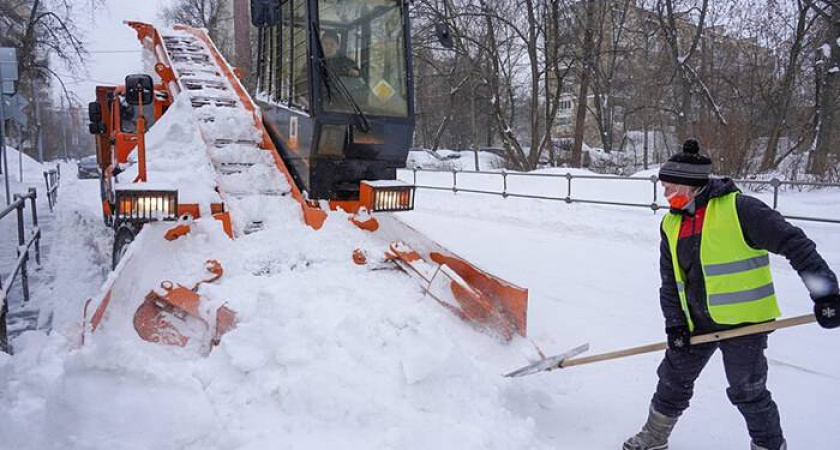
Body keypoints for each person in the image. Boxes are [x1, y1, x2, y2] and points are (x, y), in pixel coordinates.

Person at [622, 139, 840, 450]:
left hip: (744, 322)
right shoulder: (671, 223)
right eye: (664, 188)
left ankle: (768, 445)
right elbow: (670, 282)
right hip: (695, 321)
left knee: (747, 390)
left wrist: (827, 295)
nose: (666, 194)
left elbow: (795, 244)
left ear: (693, 186)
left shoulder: (741, 210)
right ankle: (655, 436)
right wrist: (675, 324)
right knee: (672, 380)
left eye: (672, 188)